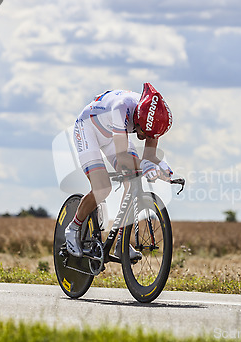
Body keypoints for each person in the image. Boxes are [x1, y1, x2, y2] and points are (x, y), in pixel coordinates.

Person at [65, 83, 174, 259]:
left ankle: (121, 243)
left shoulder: (154, 118)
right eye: (145, 133)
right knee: (102, 188)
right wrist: (144, 166)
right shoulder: (121, 108)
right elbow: (123, 158)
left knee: (132, 181)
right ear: (138, 120)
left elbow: (149, 157)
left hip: (113, 134)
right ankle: (73, 228)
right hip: (88, 130)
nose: (146, 138)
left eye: (151, 135)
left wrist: (160, 168)